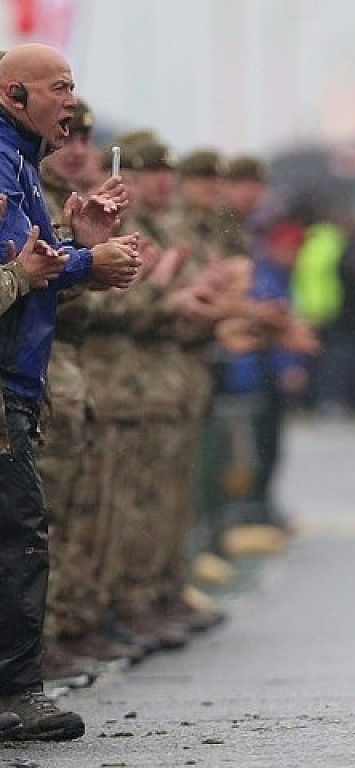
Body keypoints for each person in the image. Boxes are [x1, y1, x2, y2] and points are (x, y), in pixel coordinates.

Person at [0, 42, 140, 740]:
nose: (71, 102)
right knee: (17, 540)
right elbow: (16, 273)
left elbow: (32, 270)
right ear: (13, 95)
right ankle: (16, 693)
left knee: (20, 533)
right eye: (58, 88)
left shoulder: (22, 164)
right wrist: (83, 262)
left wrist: (76, 245)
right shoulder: (2, 162)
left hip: (23, 385)